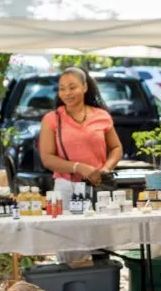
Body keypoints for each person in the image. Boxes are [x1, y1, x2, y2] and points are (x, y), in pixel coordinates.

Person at [38, 67, 123, 206]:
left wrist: (105, 169)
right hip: (66, 188)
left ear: (84, 87)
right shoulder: (51, 119)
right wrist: (78, 167)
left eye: (72, 87)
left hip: (98, 186)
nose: (67, 93)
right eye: (62, 88)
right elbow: (47, 159)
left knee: (100, 227)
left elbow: (116, 148)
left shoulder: (101, 116)